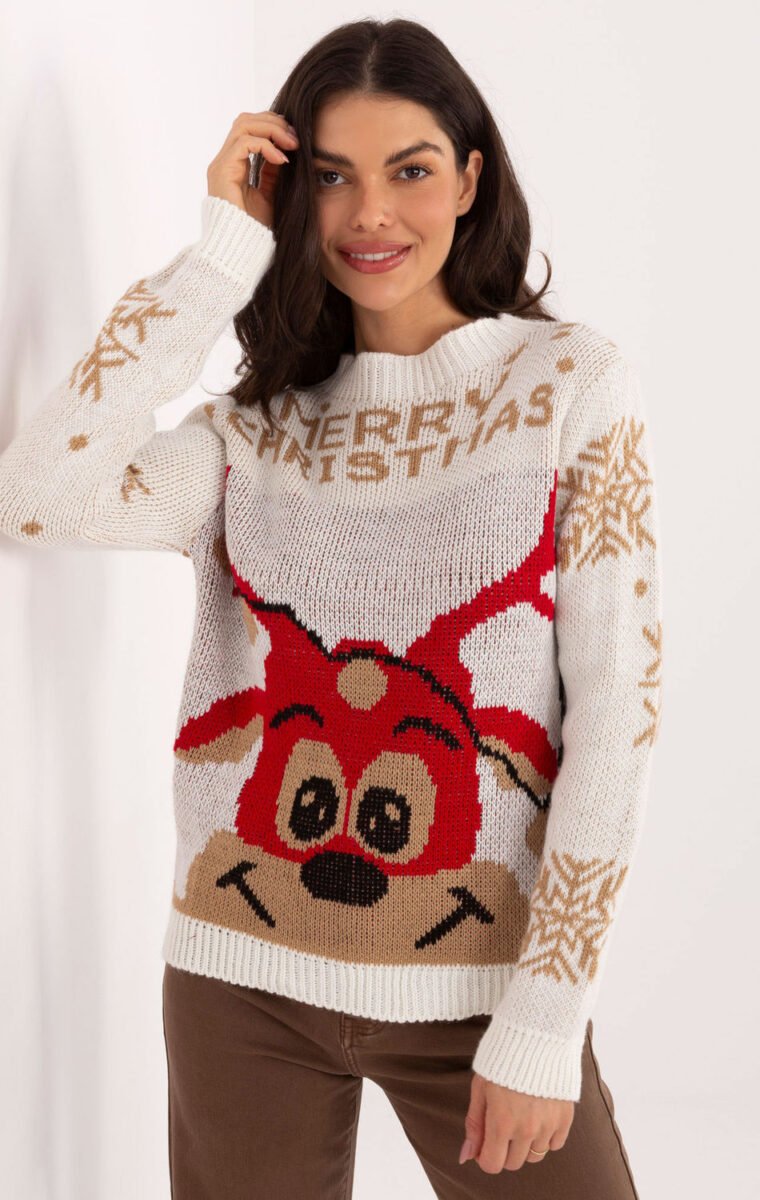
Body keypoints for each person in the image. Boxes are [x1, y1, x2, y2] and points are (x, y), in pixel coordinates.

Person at [0, 16, 662, 1199]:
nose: (370, 215)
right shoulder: (249, 433)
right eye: (329, 177)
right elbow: (38, 499)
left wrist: (543, 1019)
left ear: (469, 178)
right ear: (288, 193)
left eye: (409, 170)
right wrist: (218, 260)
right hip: (239, 983)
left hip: (478, 991)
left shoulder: (565, 385)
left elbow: (618, 713)